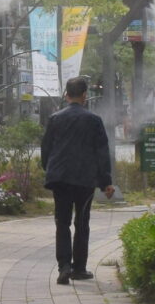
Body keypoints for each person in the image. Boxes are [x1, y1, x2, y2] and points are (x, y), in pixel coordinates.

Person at [40, 76, 117, 285]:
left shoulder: (55, 119)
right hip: (85, 179)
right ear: (85, 95)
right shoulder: (94, 120)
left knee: (62, 222)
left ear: (66, 95)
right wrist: (106, 182)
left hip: (60, 179)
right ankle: (79, 268)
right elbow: (102, 153)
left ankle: (64, 267)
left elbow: (46, 149)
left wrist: (49, 169)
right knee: (82, 222)